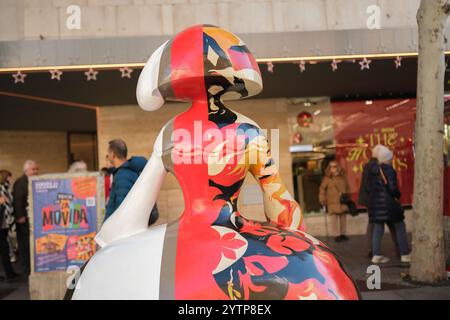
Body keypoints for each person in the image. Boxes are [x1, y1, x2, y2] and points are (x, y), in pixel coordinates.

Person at [365, 145, 411, 264]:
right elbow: (392, 188)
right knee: (400, 226)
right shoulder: (388, 170)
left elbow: (368, 188)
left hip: (376, 205)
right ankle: (405, 254)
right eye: (390, 158)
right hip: (389, 204)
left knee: (378, 229)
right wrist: (398, 195)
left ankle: (376, 255)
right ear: (387, 158)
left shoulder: (371, 170)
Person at [104, 139, 159, 223]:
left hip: (124, 227)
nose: (108, 156)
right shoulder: (128, 171)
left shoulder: (123, 175)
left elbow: (122, 208)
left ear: (112, 154)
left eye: (108, 153)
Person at [13, 160, 39, 276]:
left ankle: (30, 267)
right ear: (26, 170)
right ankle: (26, 270)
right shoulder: (20, 182)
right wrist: (20, 216)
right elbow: (17, 200)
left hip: (31, 218)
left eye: (37, 169)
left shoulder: (32, 181)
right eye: (33, 169)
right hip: (23, 219)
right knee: (25, 245)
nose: (36, 171)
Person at [319, 161, 351, 242]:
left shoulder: (343, 177)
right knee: (333, 219)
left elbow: (348, 187)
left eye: (335, 166)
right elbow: (322, 189)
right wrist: (322, 199)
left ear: (338, 167)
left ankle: (343, 234)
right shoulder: (327, 178)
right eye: (332, 167)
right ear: (329, 168)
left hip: (342, 201)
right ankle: (336, 235)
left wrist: (347, 194)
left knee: (343, 218)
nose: (334, 168)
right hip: (332, 201)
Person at [0, 170, 19, 282]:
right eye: (10, 177)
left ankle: (10, 273)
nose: (11, 179)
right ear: (6, 177)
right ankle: (9, 273)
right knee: (4, 248)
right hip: (2, 223)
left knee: (5, 249)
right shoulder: (2, 189)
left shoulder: (5, 188)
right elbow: (5, 203)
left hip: (4, 223)